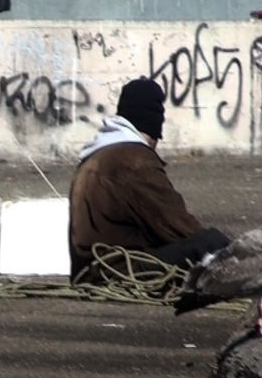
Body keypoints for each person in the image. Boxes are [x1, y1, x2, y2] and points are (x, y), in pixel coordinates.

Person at [68, 78, 230, 283]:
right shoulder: (135, 160)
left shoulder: (94, 156)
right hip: (117, 272)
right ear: (154, 127)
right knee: (211, 242)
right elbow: (177, 226)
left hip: (87, 270)